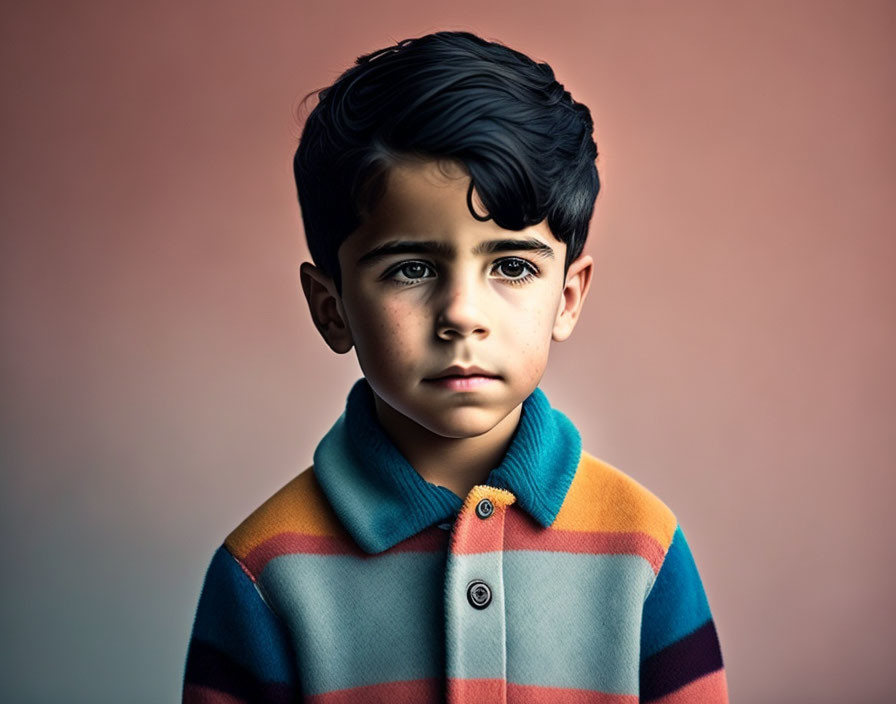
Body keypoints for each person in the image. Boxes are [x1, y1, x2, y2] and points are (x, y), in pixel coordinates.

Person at [182, 30, 728, 703]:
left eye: (512, 266)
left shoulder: (645, 551)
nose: (462, 314)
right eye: (412, 269)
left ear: (567, 297)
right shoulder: (262, 575)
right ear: (333, 308)